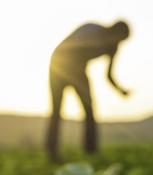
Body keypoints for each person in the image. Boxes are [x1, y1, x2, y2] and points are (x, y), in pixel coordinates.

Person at [47, 20, 131, 161]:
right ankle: (52, 152)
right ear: (113, 30)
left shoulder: (113, 47)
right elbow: (70, 50)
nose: (118, 42)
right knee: (57, 110)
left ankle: (90, 151)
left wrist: (120, 90)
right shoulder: (91, 29)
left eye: (121, 40)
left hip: (79, 70)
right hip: (58, 65)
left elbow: (108, 75)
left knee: (89, 109)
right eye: (118, 37)